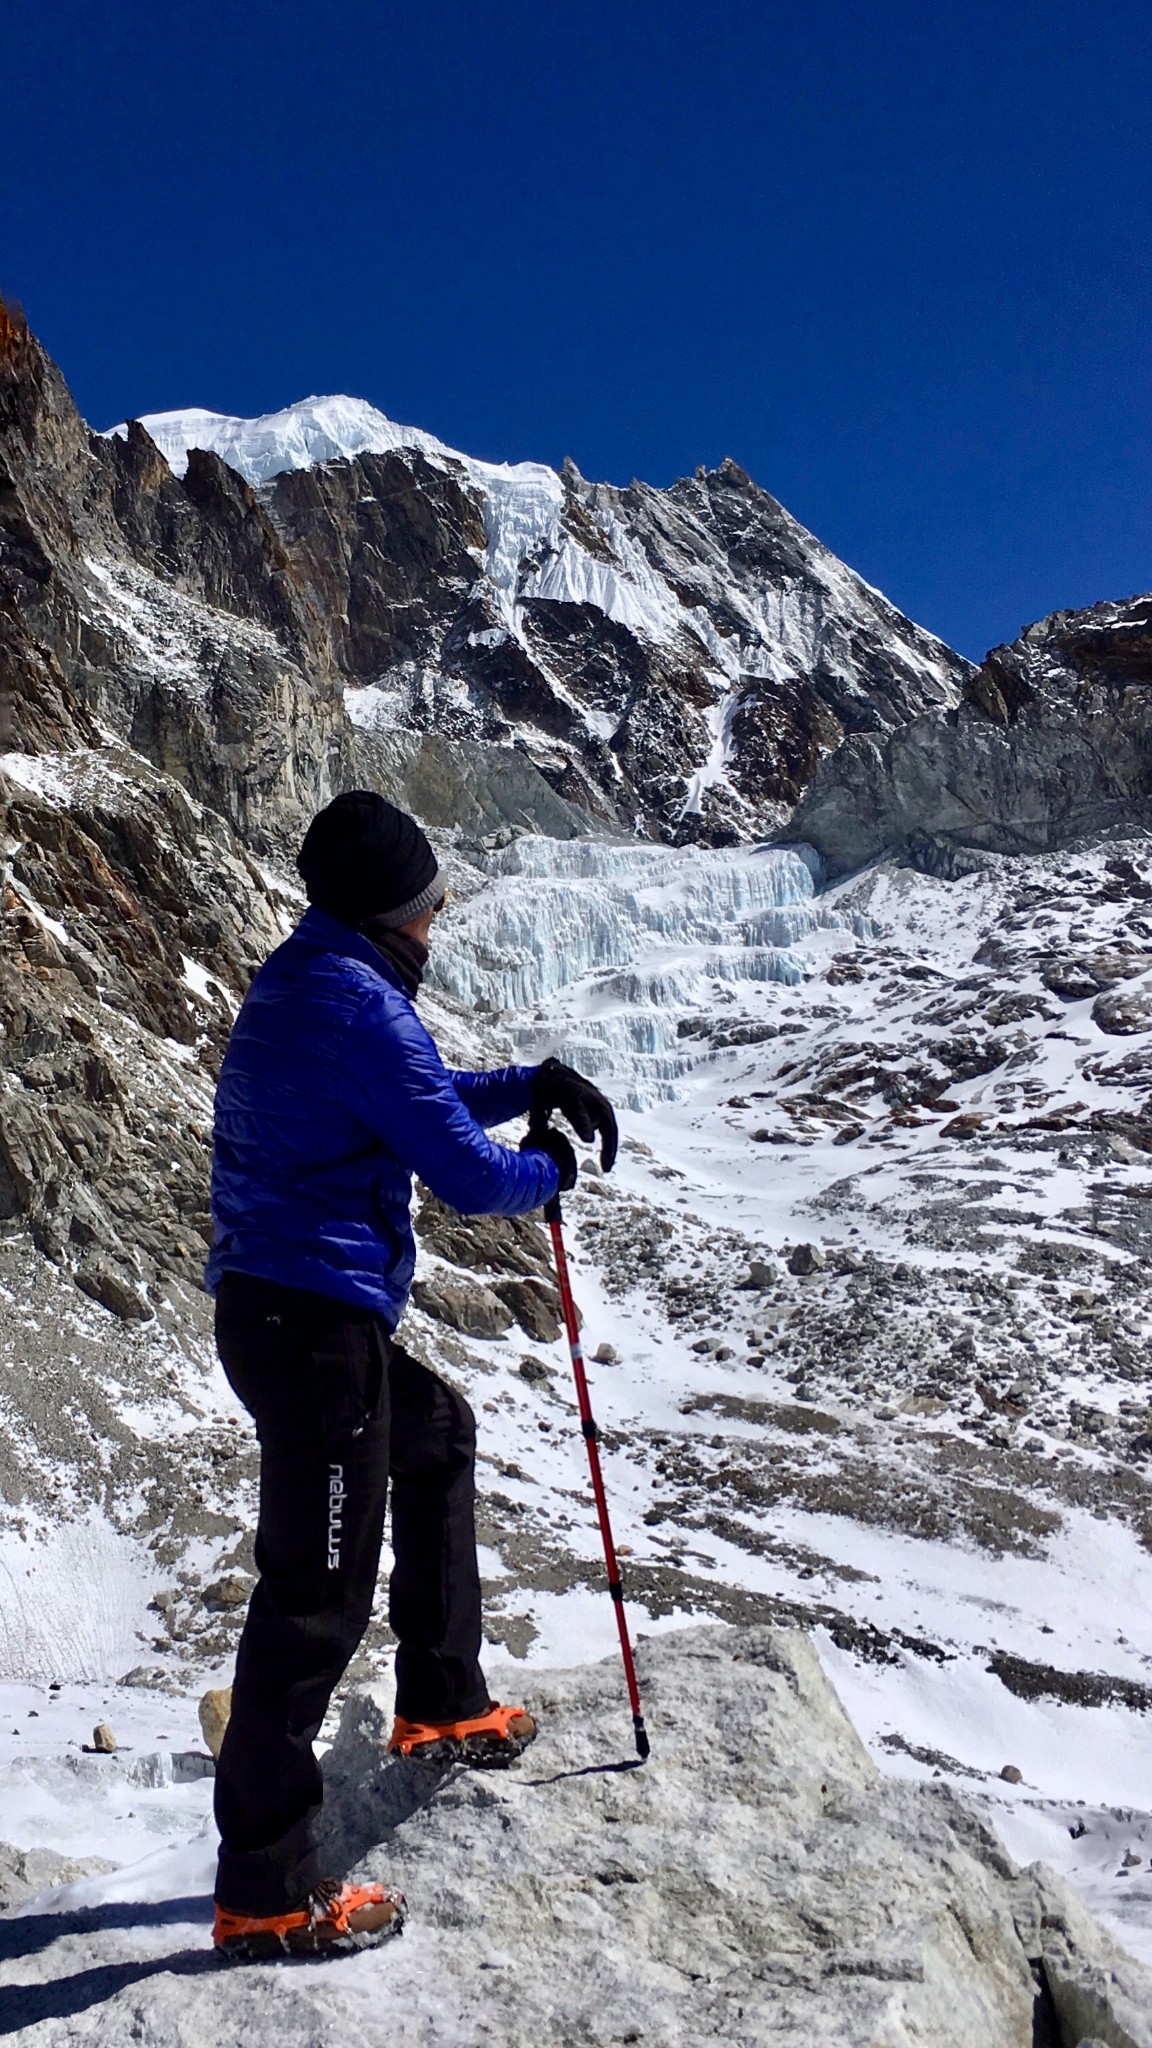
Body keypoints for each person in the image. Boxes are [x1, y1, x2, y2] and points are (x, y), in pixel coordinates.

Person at [204, 791, 617, 1961]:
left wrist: (530, 1077)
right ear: (395, 913)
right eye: (433, 907)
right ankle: (268, 1889)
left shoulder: (316, 975)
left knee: (436, 1434)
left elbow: (411, 1097)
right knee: (312, 1599)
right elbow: (472, 1176)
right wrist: (544, 1169)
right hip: (313, 1327)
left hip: (290, 1312)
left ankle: (443, 1697)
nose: (438, 925)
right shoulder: (359, 1006)